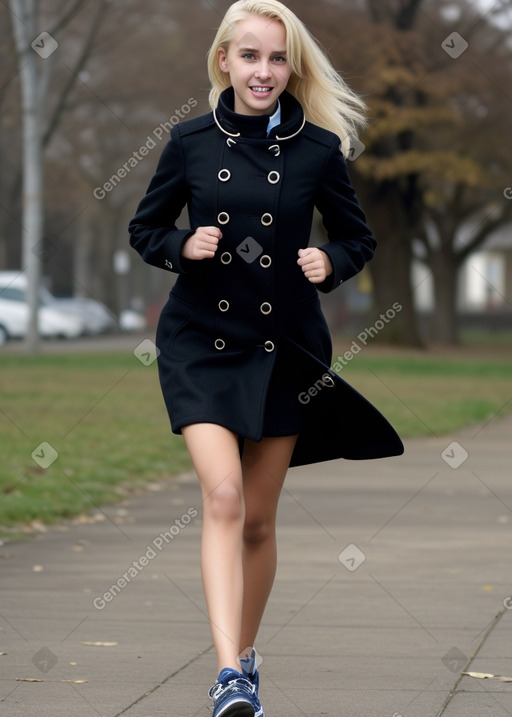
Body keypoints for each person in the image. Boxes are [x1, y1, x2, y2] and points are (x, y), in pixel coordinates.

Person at [129, 1, 402, 715]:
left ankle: (242, 656)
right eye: (250, 55)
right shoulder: (188, 142)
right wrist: (179, 245)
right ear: (225, 60)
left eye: (277, 58)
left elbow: (358, 237)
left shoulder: (317, 150)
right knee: (221, 497)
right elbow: (145, 225)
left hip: (288, 349)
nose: (264, 70)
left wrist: (331, 260)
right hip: (200, 344)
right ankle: (230, 674)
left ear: (291, 68)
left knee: (256, 518)